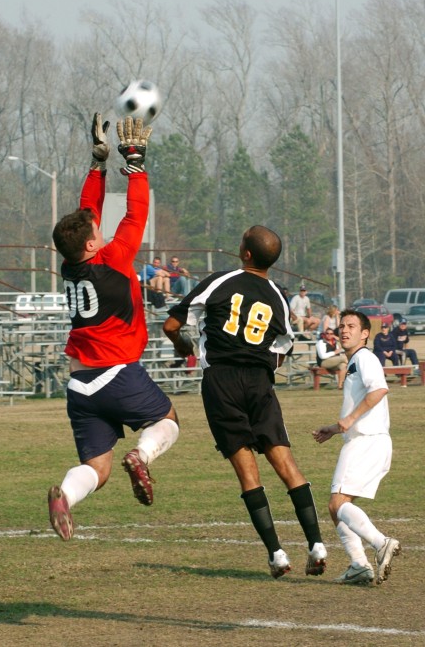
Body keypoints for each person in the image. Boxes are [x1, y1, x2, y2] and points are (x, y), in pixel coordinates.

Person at [162, 225, 327, 578]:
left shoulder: (221, 280)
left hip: (221, 380)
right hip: (259, 381)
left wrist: (184, 347)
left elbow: (171, 325)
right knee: (286, 463)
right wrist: (260, 368)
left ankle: (277, 554)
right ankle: (316, 544)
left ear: (246, 253)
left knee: (246, 470)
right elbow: (283, 347)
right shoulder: (278, 296)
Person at [47, 114, 180, 541]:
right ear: (90, 243)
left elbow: (86, 214)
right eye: (94, 231)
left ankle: (65, 495)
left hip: (79, 383)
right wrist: (136, 165)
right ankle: (141, 456)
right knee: (168, 420)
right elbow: (135, 215)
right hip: (116, 372)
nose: (99, 229)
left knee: (96, 468)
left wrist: (97, 166)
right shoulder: (113, 260)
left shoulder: (71, 264)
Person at [312, 309, 400, 585]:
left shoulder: (365, 358)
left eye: (351, 326)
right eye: (341, 326)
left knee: (338, 503)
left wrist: (349, 420)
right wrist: (335, 428)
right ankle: (359, 565)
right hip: (368, 440)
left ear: (365, 334)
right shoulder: (355, 361)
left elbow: (379, 390)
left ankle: (380, 542)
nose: (344, 330)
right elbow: (361, 405)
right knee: (336, 505)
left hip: (366, 442)